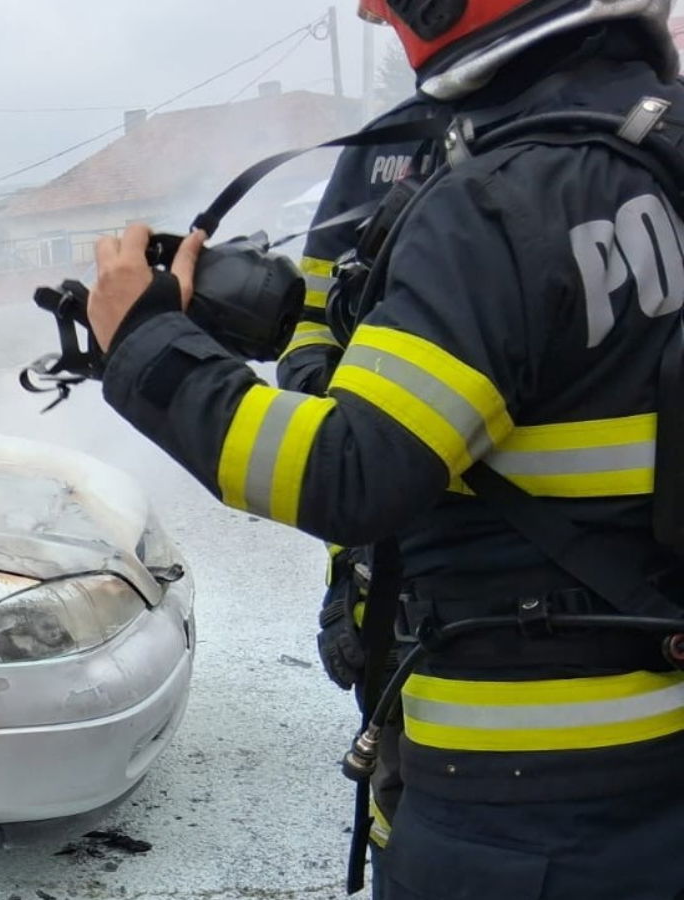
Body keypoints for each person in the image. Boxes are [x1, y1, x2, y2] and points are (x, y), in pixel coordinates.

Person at [85, 1, 684, 897]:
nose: (369, 8)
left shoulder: (497, 198)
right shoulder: (647, 149)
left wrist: (144, 348)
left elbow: (354, 469)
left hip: (522, 801)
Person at [278, 76, 449, 889]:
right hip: (389, 573)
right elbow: (315, 312)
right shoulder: (383, 148)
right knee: (401, 791)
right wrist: (317, 368)